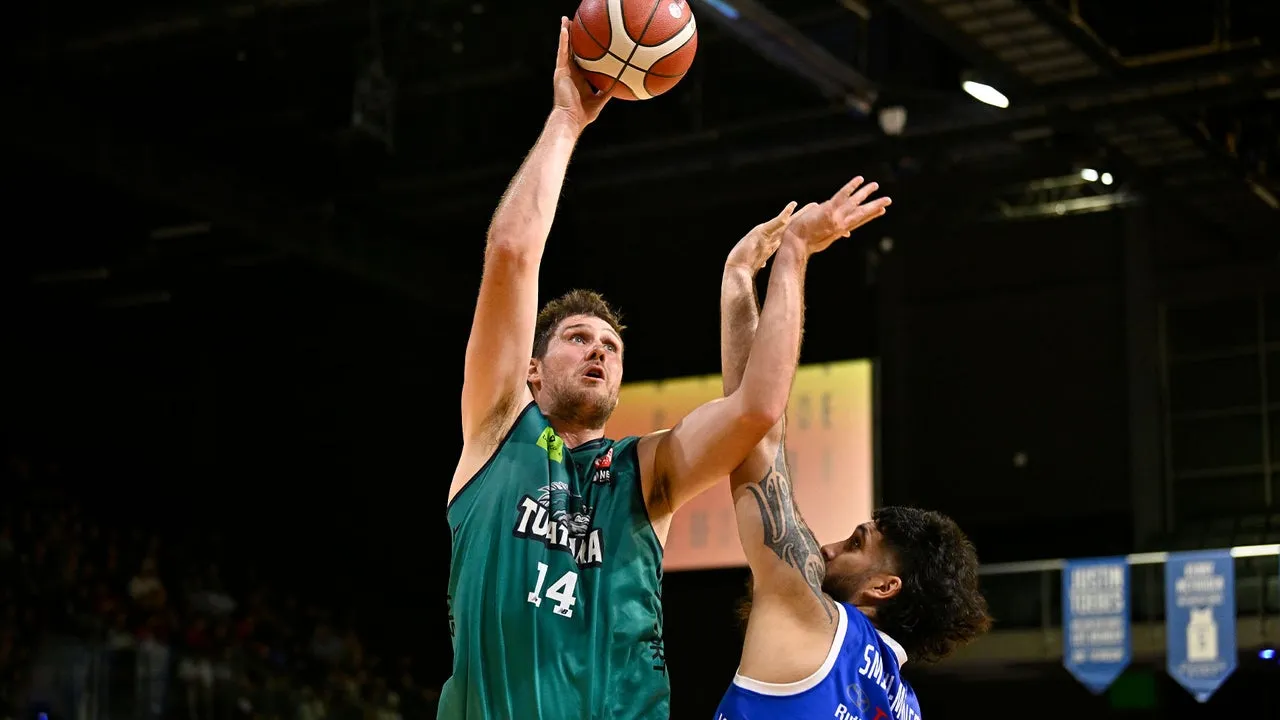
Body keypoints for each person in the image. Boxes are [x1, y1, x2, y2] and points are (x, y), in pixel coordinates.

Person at [437, 17, 876, 720]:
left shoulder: (644, 476)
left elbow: (757, 410)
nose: (599, 352)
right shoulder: (495, 431)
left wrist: (778, 265)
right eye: (578, 339)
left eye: (611, 347)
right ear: (530, 371)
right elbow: (513, 252)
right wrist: (567, 120)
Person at [712, 180, 993, 719]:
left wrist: (781, 259)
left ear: (886, 585)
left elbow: (754, 428)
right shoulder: (906, 706)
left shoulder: (814, 616)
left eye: (857, 542)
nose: (830, 547)